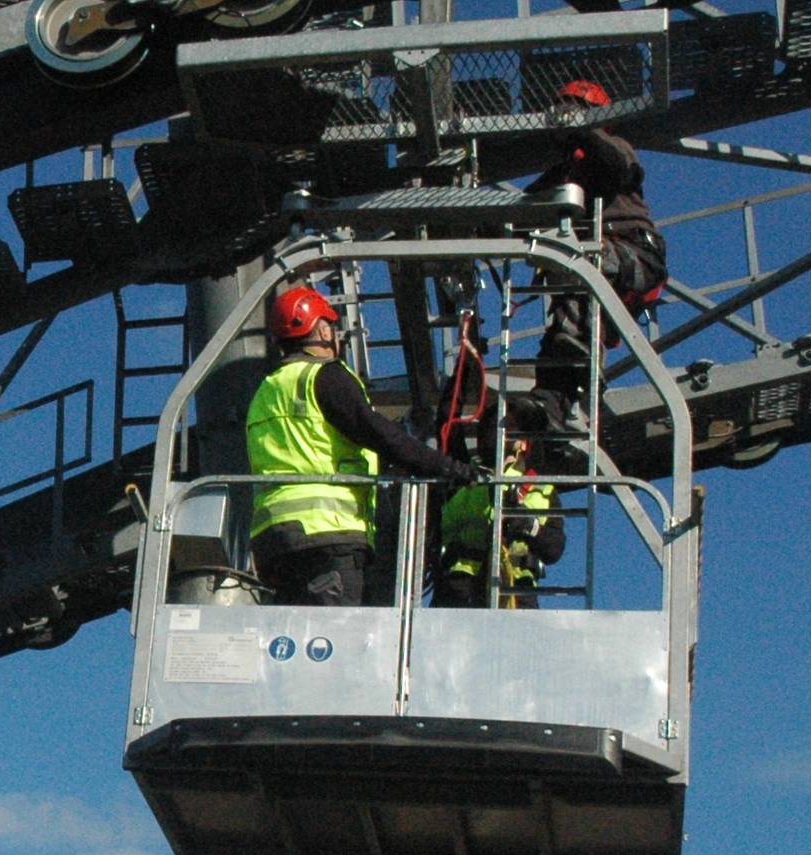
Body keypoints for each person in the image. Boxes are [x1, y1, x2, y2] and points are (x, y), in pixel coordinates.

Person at [246, 285, 478, 607]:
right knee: (331, 642)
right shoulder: (324, 377)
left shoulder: (267, 391)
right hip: (327, 533)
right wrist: (448, 468)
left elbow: (308, 448)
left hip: (274, 540)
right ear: (322, 330)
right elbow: (379, 433)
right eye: (332, 326)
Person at [527, 78, 668, 417]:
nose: (561, 117)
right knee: (555, 340)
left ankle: (580, 356)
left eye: (570, 109)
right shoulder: (563, 174)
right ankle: (549, 407)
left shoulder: (614, 147)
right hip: (594, 265)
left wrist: (582, 132)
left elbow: (619, 170)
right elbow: (522, 207)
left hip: (634, 255)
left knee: (580, 263)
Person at [433, 439, 566, 608]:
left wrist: (529, 525)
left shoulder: (544, 491)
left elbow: (554, 549)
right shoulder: (463, 477)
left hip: (517, 594)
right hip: (460, 591)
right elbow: (433, 533)